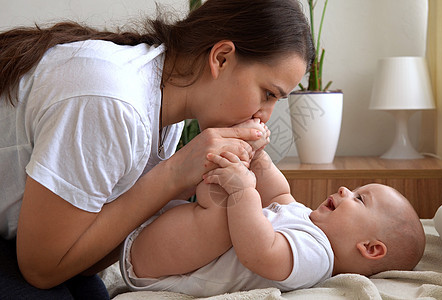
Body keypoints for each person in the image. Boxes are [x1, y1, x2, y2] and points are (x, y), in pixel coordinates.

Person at [0, 0, 313, 298]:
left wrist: (181, 182)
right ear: (221, 58)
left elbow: (83, 256)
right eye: (268, 94)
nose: (265, 116)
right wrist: (173, 175)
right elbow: (40, 270)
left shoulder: (166, 108)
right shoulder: (113, 102)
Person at [121, 128, 426, 297]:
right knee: (234, 195)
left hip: (161, 264)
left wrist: (243, 192)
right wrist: (258, 156)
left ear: (370, 248)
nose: (346, 190)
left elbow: (260, 251)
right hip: (167, 241)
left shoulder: (318, 257)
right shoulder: (308, 222)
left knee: (227, 209)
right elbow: (279, 193)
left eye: (360, 200)